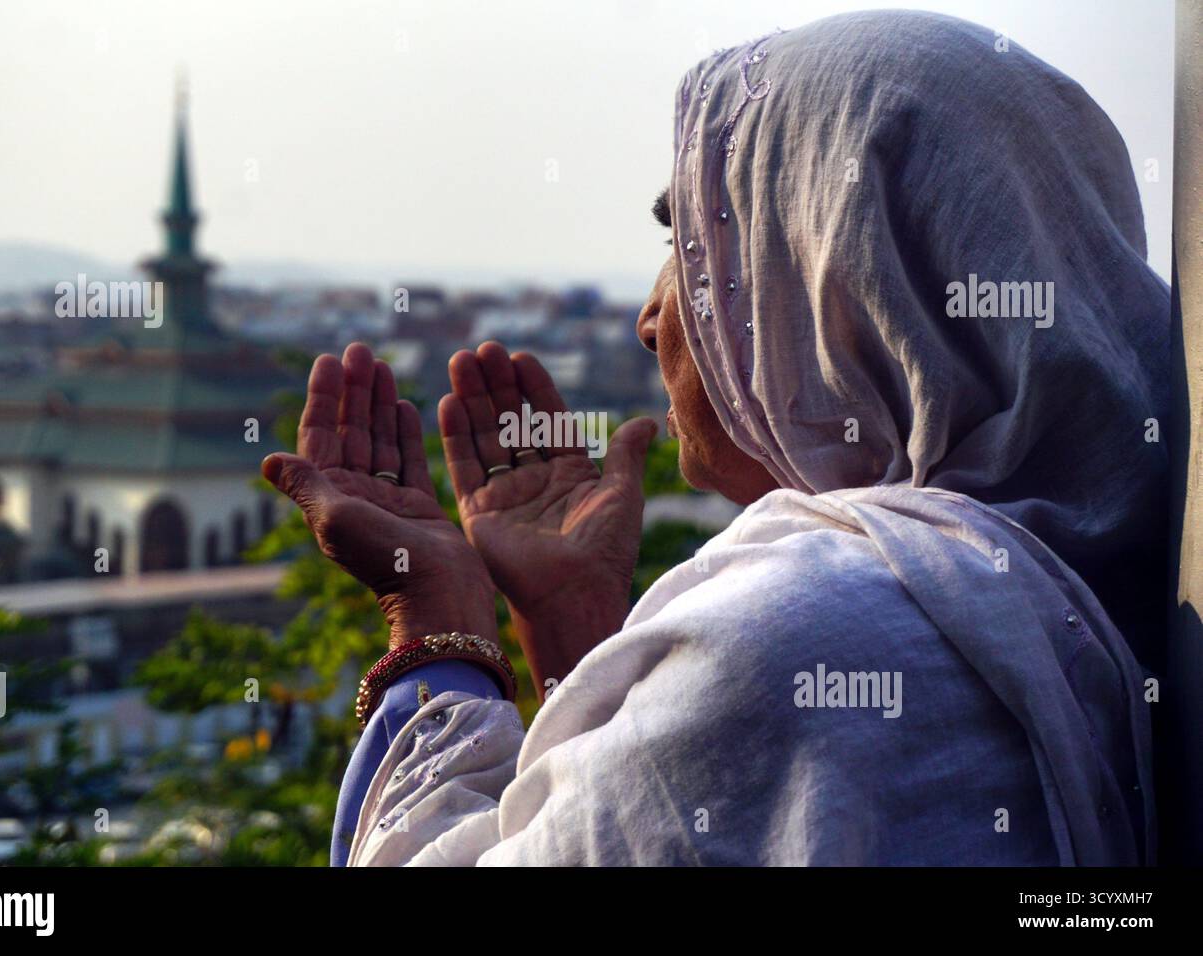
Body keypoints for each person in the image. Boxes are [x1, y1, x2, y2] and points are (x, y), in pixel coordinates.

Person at [261, 10, 1165, 865]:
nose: (654, 318)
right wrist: (578, 629)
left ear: (835, 278)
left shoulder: (810, 631)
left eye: (694, 245)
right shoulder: (1113, 577)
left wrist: (437, 622)